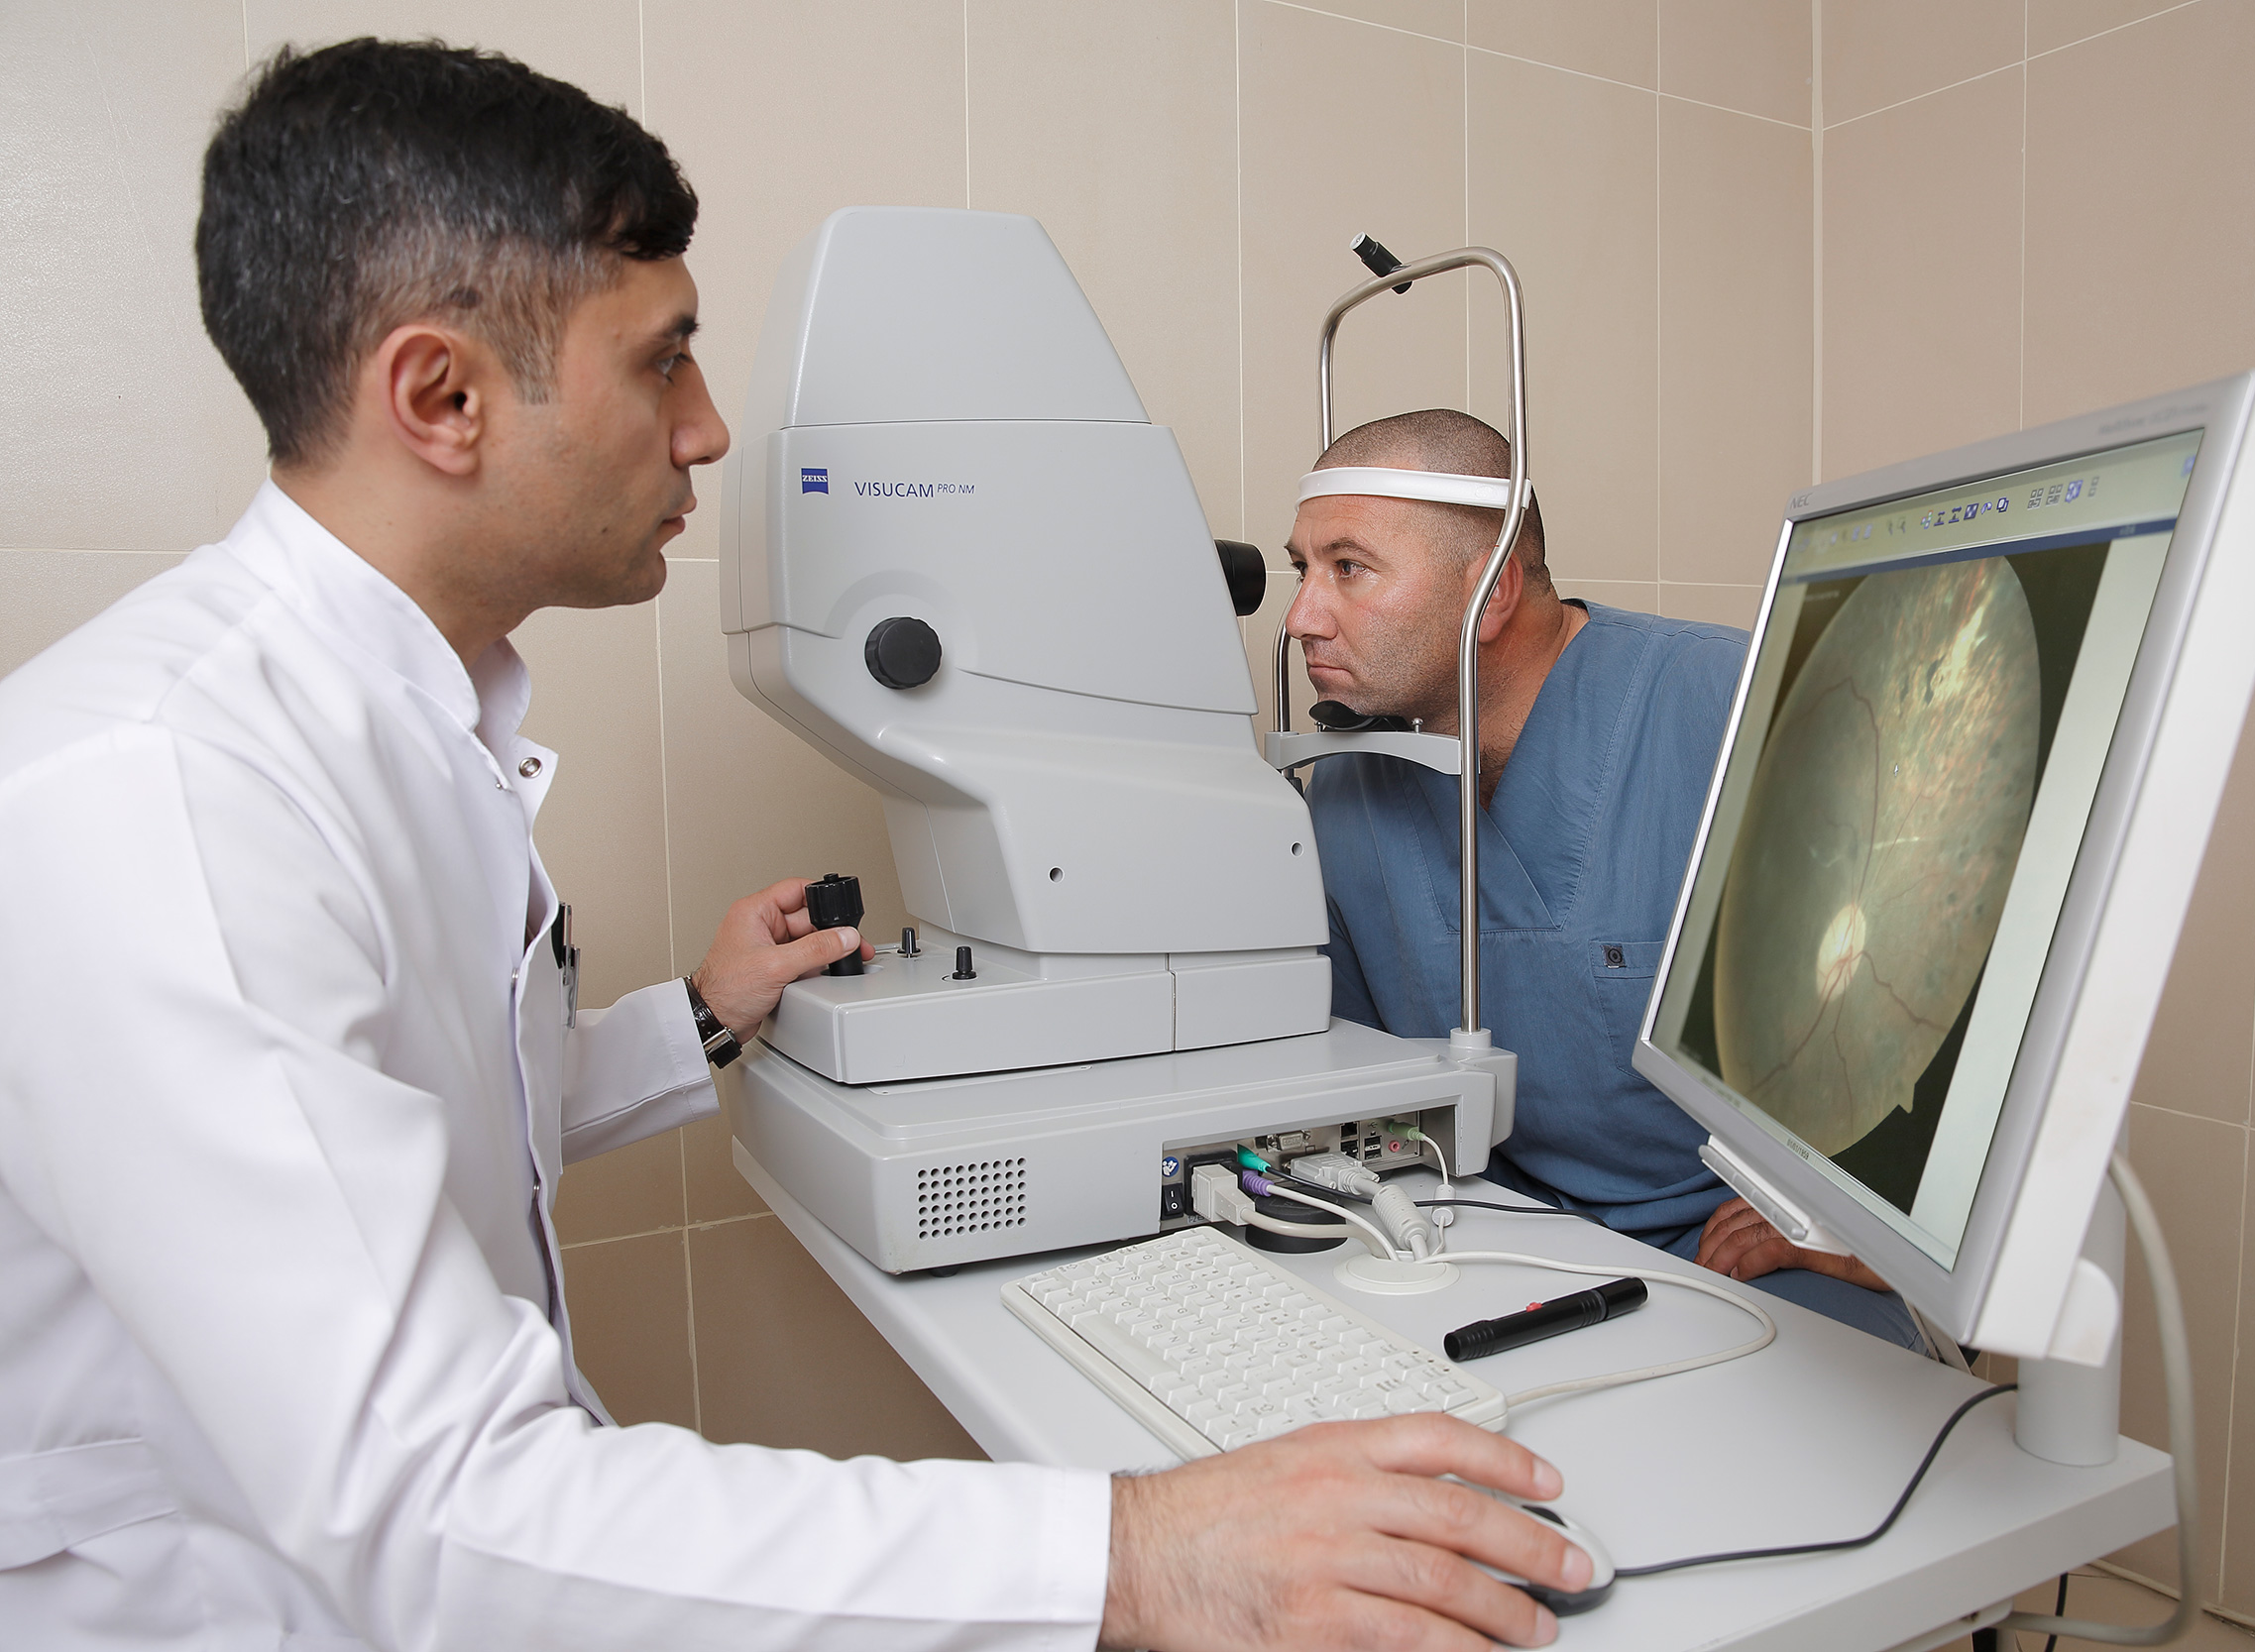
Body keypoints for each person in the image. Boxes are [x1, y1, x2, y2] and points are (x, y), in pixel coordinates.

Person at [0, 41, 1595, 1651]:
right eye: (662, 364)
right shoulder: (165, 796)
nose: (708, 432)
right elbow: (440, 1513)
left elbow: (425, 1111)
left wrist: (699, 1017)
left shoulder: (395, 728)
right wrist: (1141, 1554)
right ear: (442, 397)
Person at [1285, 409, 1923, 1352]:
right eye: (1301, 569)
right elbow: (1350, 1086)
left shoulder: (1729, 705)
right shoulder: (1347, 790)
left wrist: (1877, 1226)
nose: (1301, 615)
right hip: (1494, 1238)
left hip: (1734, 1240)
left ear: (1492, 590)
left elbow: (1949, 963)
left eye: (1349, 567)